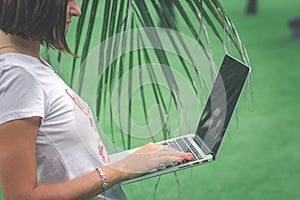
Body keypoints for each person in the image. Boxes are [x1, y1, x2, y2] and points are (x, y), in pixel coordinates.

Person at [0, 0, 193, 199]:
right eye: (67, 2)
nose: (77, 11)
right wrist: (122, 169)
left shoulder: (29, 64)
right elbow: (21, 196)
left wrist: (135, 159)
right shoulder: (19, 77)